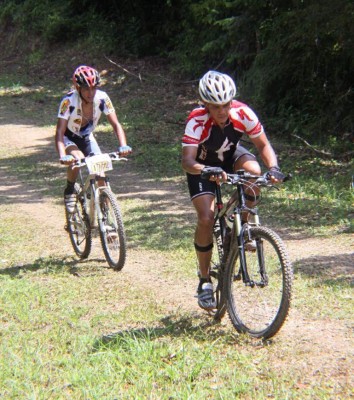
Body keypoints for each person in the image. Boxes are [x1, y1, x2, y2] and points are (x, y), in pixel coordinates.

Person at [181, 70, 285, 310]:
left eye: (226, 104)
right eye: (216, 106)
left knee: (255, 174)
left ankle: (242, 225)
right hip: (203, 166)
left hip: (229, 156)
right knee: (206, 218)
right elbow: (187, 161)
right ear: (206, 104)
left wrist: (275, 168)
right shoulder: (196, 120)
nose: (222, 110)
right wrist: (205, 170)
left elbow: (263, 144)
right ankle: (205, 280)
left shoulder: (243, 113)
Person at [55, 65, 131, 213]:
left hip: (86, 136)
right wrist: (63, 155)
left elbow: (115, 124)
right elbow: (59, 131)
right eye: (86, 89)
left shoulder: (102, 98)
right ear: (78, 88)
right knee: (77, 158)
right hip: (68, 137)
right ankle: (70, 189)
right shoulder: (68, 102)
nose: (90, 93)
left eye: (93, 88)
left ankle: (106, 217)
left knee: (101, 171)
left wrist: (123, 145)